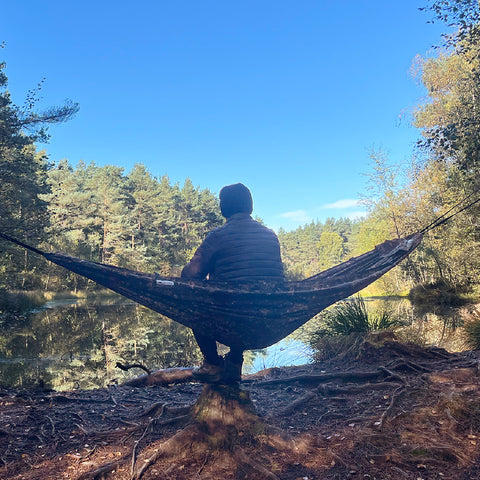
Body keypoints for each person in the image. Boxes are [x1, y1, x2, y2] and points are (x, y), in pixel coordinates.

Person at [181, 183, 284, 383]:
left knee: (194, 299)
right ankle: (235, 360)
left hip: (230, 320)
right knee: (243, 296)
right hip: (268, 320)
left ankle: (212, 363)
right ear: (250, 207)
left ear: (222, 209)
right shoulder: (271, 236)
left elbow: (191, 275)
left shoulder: (217, 236)